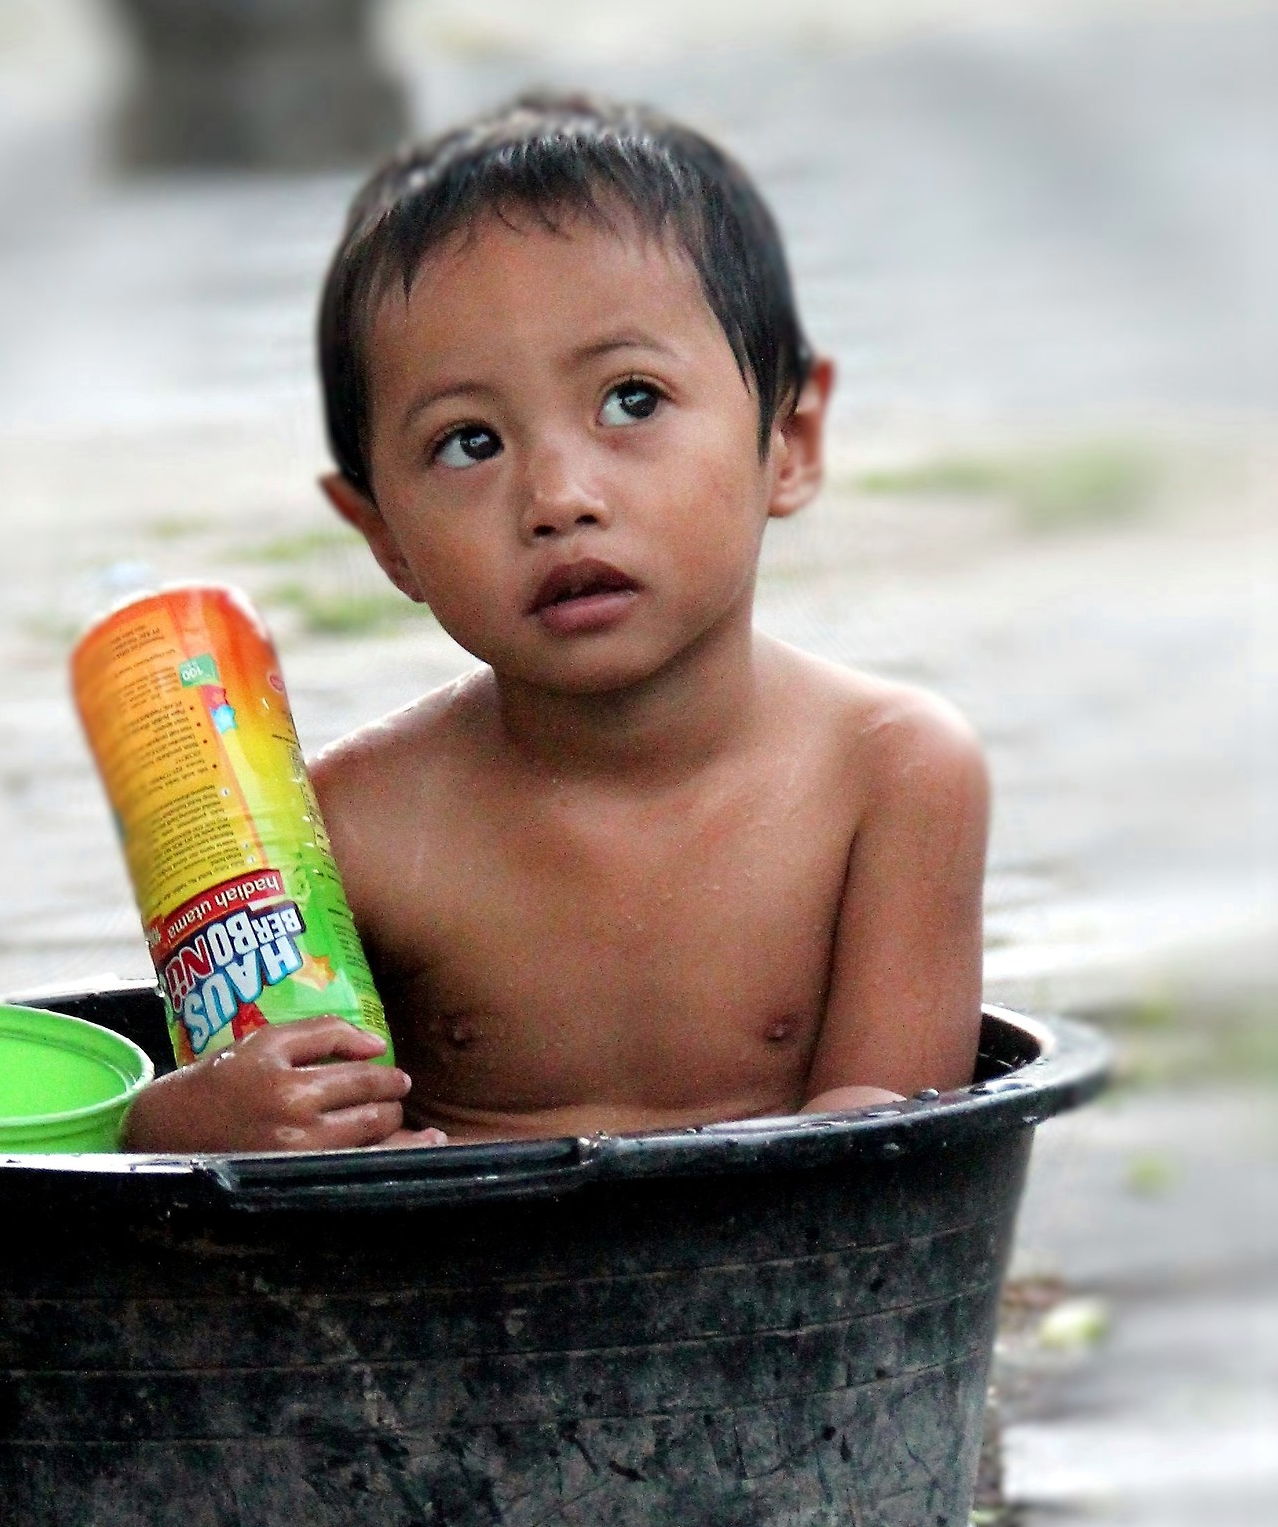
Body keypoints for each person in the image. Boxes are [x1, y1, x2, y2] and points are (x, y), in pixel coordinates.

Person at [122, 93, 988, 1153]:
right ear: (382, 534)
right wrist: (191, 1120)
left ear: (792, 439)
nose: (558, 495)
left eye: (631, 399)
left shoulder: (890, 776)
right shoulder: (348, 830)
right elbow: (247, 1132)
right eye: (469, 443)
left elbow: (894, 1153)